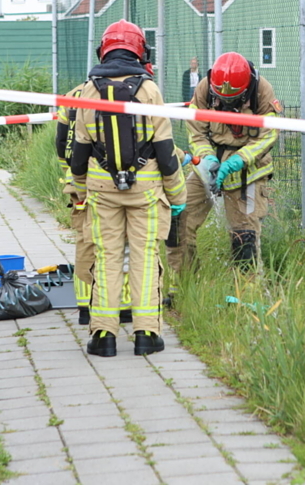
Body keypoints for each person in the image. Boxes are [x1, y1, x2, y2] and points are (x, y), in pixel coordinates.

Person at [71, 20, 187, 357]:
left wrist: (79, 191)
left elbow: (79, 153)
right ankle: (146, 334)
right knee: (145, 258)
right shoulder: (149, 90)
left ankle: (103, 337)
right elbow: (166, 152)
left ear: (104, 50)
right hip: (147, 192)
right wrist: (177, 196)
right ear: (140, 51)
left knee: (106, 258)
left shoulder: (88, 91)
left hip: (102, 191)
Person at [167, 52, 279, 272]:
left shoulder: (262, 91)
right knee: (178, 218)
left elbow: (268, 135)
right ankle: (184, 284)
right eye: (222, 99)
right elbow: (196, 131)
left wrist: (238, 160)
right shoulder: (204, 88)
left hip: (248, 171)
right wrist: (207, 159)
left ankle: (246, 295)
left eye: (232, 99)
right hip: (208, 166)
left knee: (244, 236)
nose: (226, 103)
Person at [56, 83, 133, 327]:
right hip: (110, 180)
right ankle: (123, 306)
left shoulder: (74, 95)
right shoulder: (129, 90)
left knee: (86, 241)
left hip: (79, 180)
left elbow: (62, 144)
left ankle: (85, 306)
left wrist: (72, 179)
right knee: (123, 242)